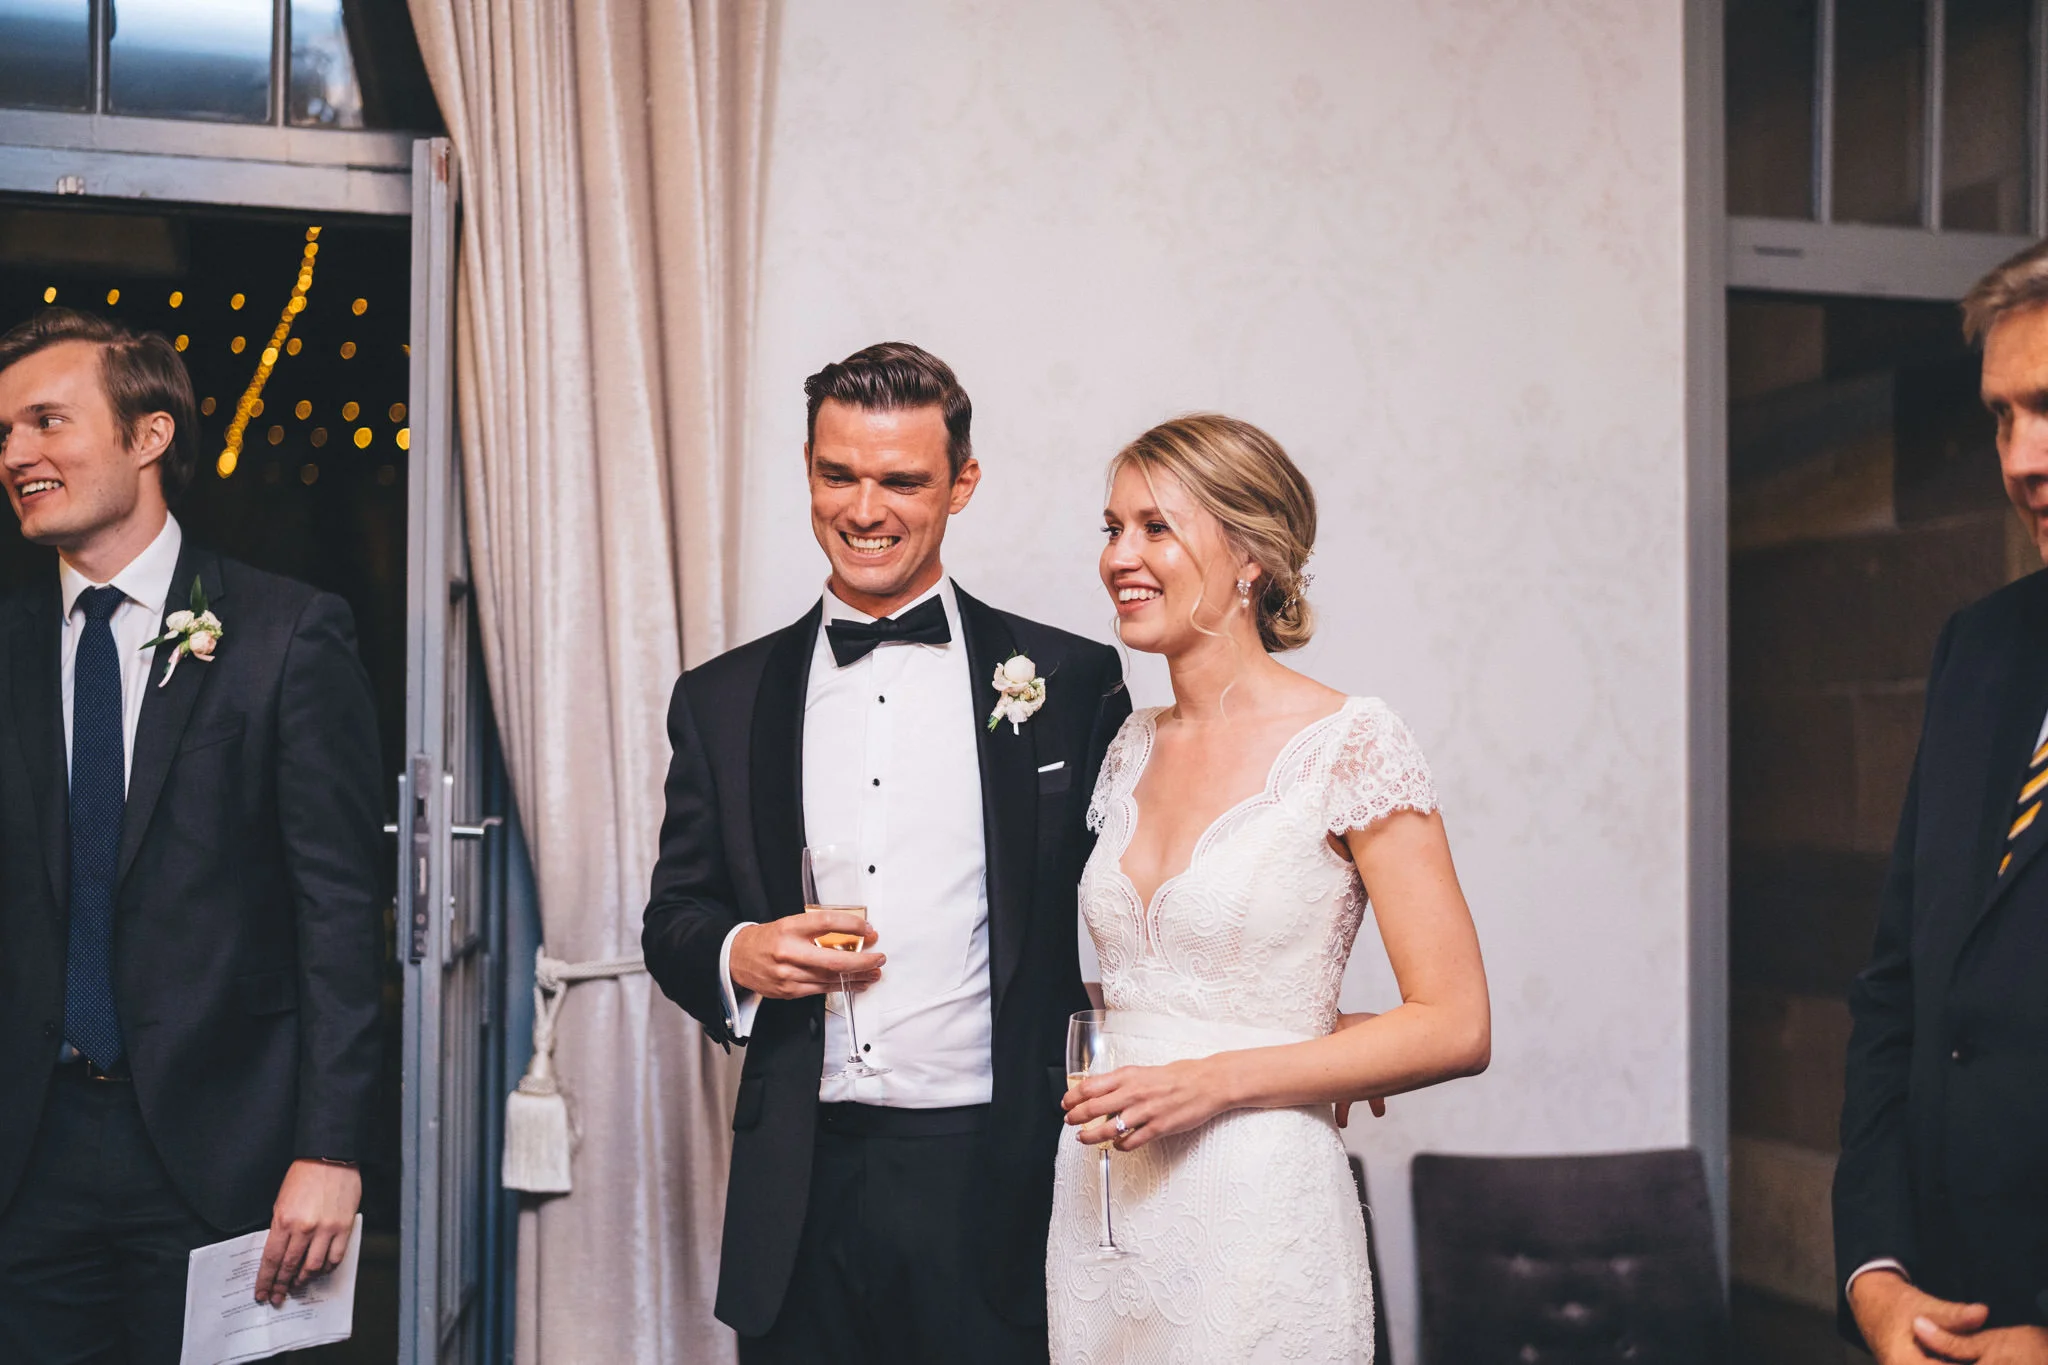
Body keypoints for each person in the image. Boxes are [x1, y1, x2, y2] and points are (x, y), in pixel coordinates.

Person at [641, 342, 1129, 1364]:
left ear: (961, 483)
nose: (864, 510)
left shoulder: (1071, 682)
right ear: (807, 471)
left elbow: (1146, 901)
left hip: (995, 1176)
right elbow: (674, 915)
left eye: (902, 480)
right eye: (838, 475)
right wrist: (739, 953)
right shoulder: (720, 698)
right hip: (798, 1183)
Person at [1050, 414, 1491, 1363]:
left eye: (1156, 528)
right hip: (1105, 1209)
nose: (1119, 556)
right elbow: (1154, 981)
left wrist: (1213, 1079)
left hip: (1257, 1214)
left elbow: (1457, 1023)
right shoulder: (1128, 745)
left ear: (1250, 556)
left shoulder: (1351, 742)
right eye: (1112, 528)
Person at [0, 309, 384, 1362]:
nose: (18, 454)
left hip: (225, 1154)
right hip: (25, 1160)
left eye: (46, 421)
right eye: (5, 433)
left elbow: (338, 914)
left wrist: (331, 1149)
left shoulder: (286, 633)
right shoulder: (10, 644)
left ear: (149, 435)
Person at [1835, 240, 2048, 1364]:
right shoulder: (1978, 649)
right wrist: (1874, 1273)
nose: (2022, 460)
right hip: (1935, 1320)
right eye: (2001, 418)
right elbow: (1899, 998)